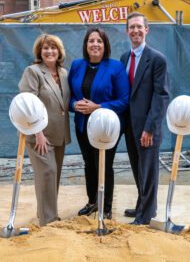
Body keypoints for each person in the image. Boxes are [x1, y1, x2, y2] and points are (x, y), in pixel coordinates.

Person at [68, 27, 130, 219]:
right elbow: (69, 96)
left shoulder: (115, 67)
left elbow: (124, 100)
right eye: (91, 41)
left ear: (105, 46)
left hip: (106, 127)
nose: (95, 44)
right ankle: (92, 201)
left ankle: (107, 207)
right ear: (86, 45)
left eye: (99, 41)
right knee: (89, 164)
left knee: (104, 164)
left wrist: (98, 106)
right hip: (82, 124)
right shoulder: (77, 65)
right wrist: (74, 104)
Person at [120, 12, 170, 225]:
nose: (135, 31)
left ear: (146, 30)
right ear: (127, 31)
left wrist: (150, 128)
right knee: (137, 168)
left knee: (148, 171)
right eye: (132, 27)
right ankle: (143, 205)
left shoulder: (157, 59)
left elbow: (162, 95)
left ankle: (146, 214)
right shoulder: (124, 58)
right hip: (130, 126)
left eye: (139, 27)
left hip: (147, 127)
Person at [19, 34, 71, 226]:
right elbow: (27, 104)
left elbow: (63, 103)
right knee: (47, 173)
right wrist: (37, 133)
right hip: (39, 136)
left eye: (53, 48)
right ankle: (49, 221)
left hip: (59, 134)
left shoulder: (64, 73)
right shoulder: (32, 72)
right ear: (39, 52)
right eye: (45, 48)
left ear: (59, 51)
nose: (49, 51)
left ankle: (46, 213)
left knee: (53, 175)